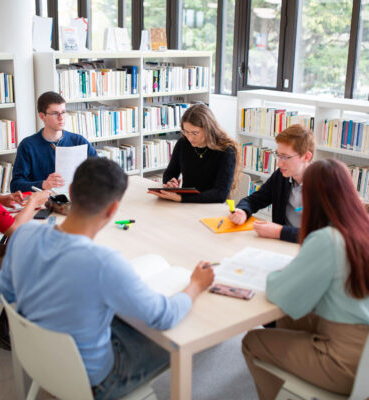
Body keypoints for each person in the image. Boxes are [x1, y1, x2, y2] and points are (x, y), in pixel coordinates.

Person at [0, 157, 214, 399]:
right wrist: (196, 284)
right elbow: (164, 316)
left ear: (70, 191)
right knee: (182, 337)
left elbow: (6, 293)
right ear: (113, 210)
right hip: (95, 380)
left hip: (37, 358)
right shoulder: (102, 263)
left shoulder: (23, 235)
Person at [242, 159, 369, 400]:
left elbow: (278, 290)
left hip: (344, 359)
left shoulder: (327, 240)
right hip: (363, 347)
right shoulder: (361, 228)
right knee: (288, 318)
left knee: (252, 341)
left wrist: (280, 274)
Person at [0, 122, 49, 347]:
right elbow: (15, 229)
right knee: (40, 264)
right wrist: (33, 202)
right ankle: (2, 323)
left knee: (27, 252)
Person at [229, 124, 315, 242]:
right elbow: (253, 200)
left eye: (285, 157)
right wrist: (242, 211)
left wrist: (280, 232)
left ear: (306, 157)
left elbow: (325, 235)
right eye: (278, 155)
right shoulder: (281, 177)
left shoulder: (324, 185)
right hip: (282, 245)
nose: (279, 164)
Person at [149, 103, 240, 203]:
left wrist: (181, 198)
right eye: (186, 132)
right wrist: (170, 182)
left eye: (194, 133)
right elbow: (170, 172)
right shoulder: (183, 143)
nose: (189, 137)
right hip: (186, 205)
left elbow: (220, 194)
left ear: (208, 129)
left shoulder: (226, 150)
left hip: (211, 207)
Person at [10, 91, 98, 193]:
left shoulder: (79, 141)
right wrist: (43, 184)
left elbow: (100, 171)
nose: (61, 118)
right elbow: (15, 185)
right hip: (43, 202)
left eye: (63, 112)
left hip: (77, 198)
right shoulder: (27, 145)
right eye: (55, 113)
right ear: (42, 117)